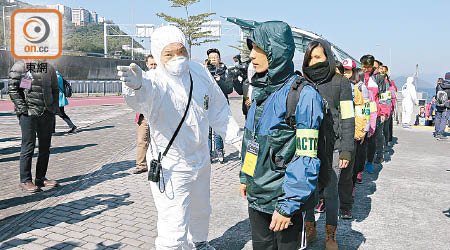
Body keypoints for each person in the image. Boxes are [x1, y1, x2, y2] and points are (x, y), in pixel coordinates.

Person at [117, 25, 242, 250]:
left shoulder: (199, 72)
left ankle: (200, 243)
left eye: (181, 51)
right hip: (171, 164)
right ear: (157, 54)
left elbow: (219, 110)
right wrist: (135, 87)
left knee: (201, 209)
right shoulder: (155, 80)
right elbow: (143, 97)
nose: (177, 58)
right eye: (169, 53)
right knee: (173, 222)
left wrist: (237, 139)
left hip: (201, 158)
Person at [239, 21, 324, 250]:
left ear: (276, 51)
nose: (251, 56)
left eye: (258, 49)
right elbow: (251, 140)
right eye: (251, 49)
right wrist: (246, 176)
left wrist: (289, 205)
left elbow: (306, 157)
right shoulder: (260, 92)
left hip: (286, 204)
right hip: (257, 198)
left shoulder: (304, 96)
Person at [302, 39, 355, 250]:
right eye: (310, 58)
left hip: (334, 147)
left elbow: (348, 118)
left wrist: (346, 150)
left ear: (328, 58)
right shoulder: (303, 81)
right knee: (307, 191)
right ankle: (310, 229)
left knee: (331, 191)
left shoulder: (341, 82)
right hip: (307, 146)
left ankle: (330, 235)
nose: (314, 61)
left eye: (318, 57)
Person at [9, 60, 60, 192]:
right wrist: (23, 109)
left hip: (46, 112)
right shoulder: (21, 65)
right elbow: (13, 89)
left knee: (45, 147)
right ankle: (25, 180)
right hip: (28, 113)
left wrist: (53, 107)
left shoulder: (49, 66)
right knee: (28, 146)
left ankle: (41, 178)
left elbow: (55, 88)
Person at [338, 64, 373, 220]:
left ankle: (346, 206)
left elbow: (363, 111)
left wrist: (361, 131)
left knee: (347, 173)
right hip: (333, 136)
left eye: (347, 71)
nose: (344, 74)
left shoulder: (357, 91)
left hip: (350, 135)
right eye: (342, 71)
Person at [360, 55, 388, 170]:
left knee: (372, 138)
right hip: (361, 111)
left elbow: (384, 97)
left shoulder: (379, 78)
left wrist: (384, 113)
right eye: (363, 66)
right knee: (361, 138)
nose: (365, 69)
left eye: (367, 67)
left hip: (374, 112)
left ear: (372, 66)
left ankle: (370, 161)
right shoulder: (359, 75)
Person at [206, 48, 233, 163]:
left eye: (215, 57)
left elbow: (229, 89)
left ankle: (219, 150)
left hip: (220, 105)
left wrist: (220, 80)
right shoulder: (204, 71)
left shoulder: (225, 72)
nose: (213, 60)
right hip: (207, 104)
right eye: (210, 58)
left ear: (219, 59)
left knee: (218, 131)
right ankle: (208, 153)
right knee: (207, 131)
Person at [134, 55, 158, 174]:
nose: (153, 67)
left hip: (158, 114)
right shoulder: (143, 78)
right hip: (144, 115)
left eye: (155, 64)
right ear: (147, 65)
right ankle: (141, 165)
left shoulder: (162, 79)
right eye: (151, 64)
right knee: (142, 139)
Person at [434, 73, 450, 140]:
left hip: (438, 104)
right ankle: (440, 133)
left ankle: (437, 132)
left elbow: (436, 94)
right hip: (446, 105)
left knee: (438, 118)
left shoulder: (439, 85)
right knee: (444, 119)